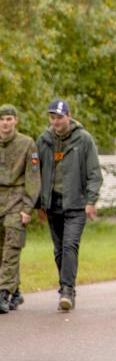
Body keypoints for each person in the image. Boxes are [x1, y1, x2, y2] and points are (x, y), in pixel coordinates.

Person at [36, 99, 103, 312]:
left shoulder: (83, 140)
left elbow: (94, 173)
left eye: (60, 117)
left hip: (76, 204)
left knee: (69, 246)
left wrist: (91, 201)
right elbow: (36, 174)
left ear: (69, 116)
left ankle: (66, 290)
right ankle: (67, 288)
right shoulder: (44, 140)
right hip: (52, 204)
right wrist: (39, 204)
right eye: (53, 117)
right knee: (58, 251)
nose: (56, 121)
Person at [0, 105, 40, 314]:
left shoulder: (27, 144)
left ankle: (3, 293)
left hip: (16, 202)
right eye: (2, 119)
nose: (5, 123)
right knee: (1, 252)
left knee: (11, 249)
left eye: (8, 119)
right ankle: (15, 292)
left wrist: (27, 207)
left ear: (15, 121)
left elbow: (33, 178)